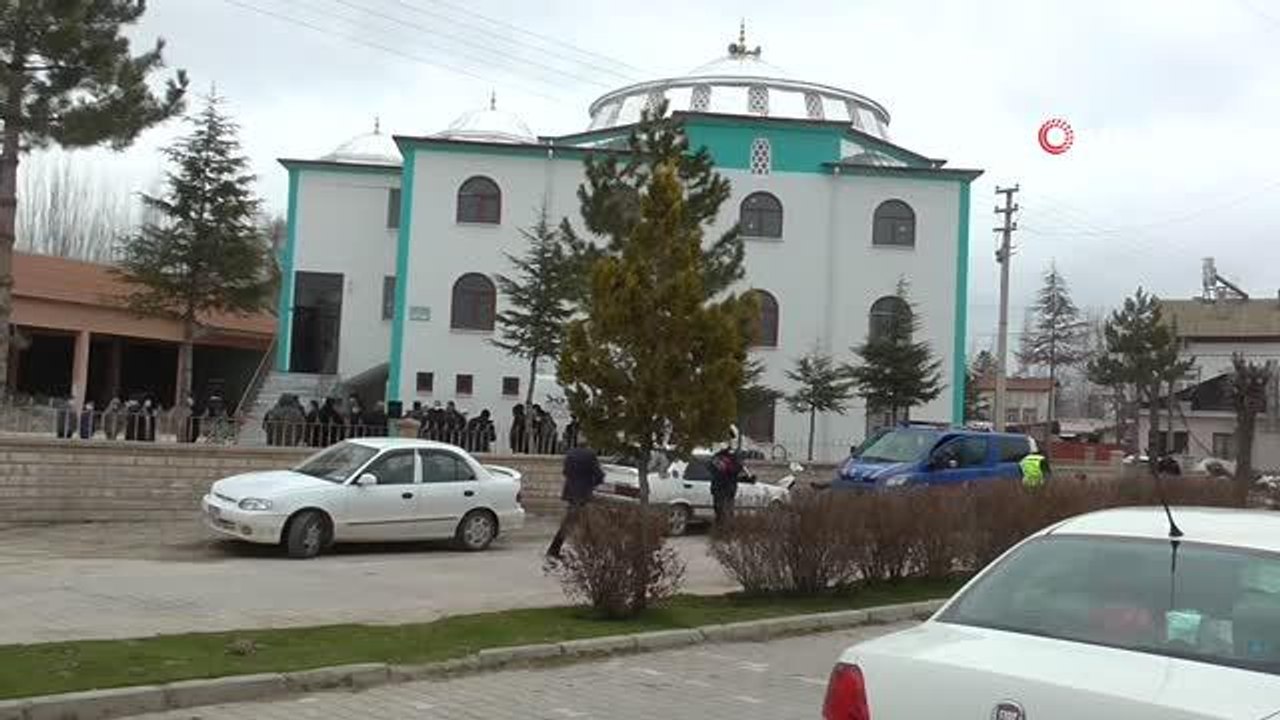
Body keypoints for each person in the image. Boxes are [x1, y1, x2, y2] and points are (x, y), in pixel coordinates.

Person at [546, 445, 605, 560]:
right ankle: (554, 549)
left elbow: (565, 472)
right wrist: (594, 483)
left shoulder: (570, 453)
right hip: (583, 493)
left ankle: (592, 551)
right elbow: (598, 474)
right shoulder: (590, 455)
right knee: (571, 522)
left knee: (581, 521)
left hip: (570, 492)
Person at [709, 446, 748, 529]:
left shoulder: (728, 460)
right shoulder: (720, 459)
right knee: (722, 510)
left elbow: (736, 471)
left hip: (724, 489)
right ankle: (723, 528)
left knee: (723, 510)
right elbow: (736, 472)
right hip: (723, 489)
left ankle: (724, 528)